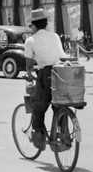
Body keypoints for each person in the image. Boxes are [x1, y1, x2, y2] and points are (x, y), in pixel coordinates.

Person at [23, 8, 68, 149]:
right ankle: (64, 134)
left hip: (46, 74)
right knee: (59, 104)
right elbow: (61, 55)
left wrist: (29, 73)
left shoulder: (30, 40)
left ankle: (39, 138)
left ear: (34, 25)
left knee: (38, 106)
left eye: (31, 26)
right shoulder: (54, 36)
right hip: (62, 71)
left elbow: (29, 65)